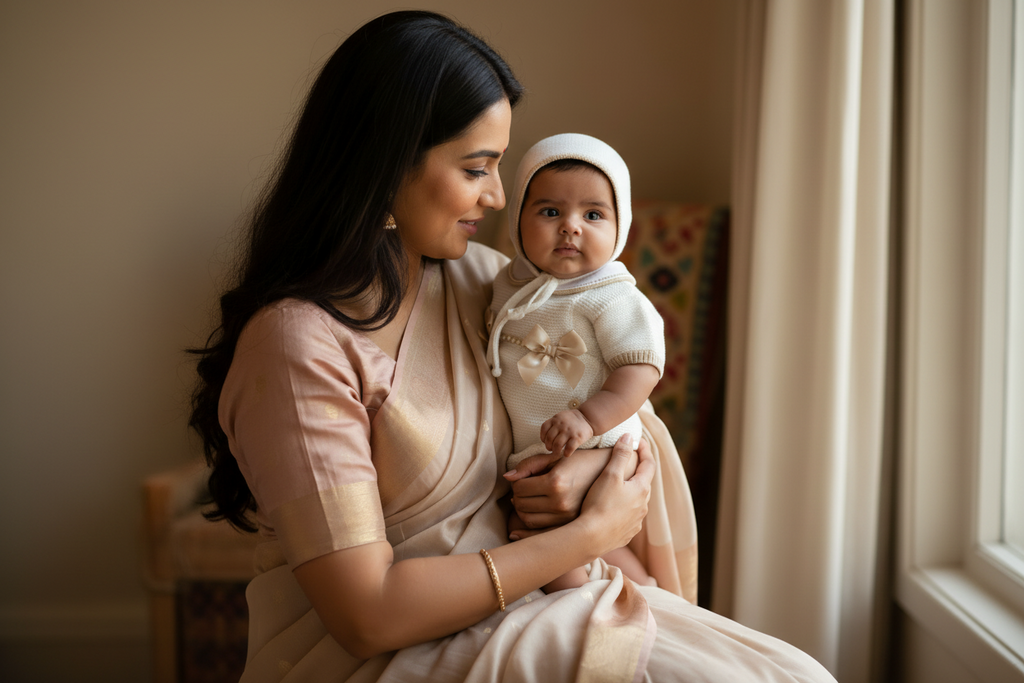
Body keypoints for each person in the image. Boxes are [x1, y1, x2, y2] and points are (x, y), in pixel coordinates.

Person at [189, 10, 837, 682]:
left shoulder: (486, 284)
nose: (500, 197)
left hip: (546, 590)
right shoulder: (296, 347)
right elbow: (367, 615)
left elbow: (618, 419)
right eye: (477, 168)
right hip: (388, 652)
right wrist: (586, 535)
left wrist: (582, 474)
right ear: (384, 166)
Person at [487, 133, 662, 592]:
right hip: (540, 446)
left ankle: (580, 609)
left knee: (536, 535)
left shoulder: (613, 294)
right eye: (550, 212)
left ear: (620, 226)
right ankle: (643, 589)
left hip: (596, 443)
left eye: (593, 215)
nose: (570, 227)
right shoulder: (508, 284)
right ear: (517, 219)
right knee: (576, 537)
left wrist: (588, 418)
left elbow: (641, 368)